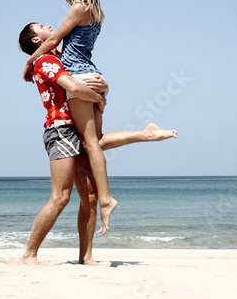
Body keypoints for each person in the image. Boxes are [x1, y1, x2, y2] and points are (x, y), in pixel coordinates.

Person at [19, 22, 176, 264]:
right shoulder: (45, 60)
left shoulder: (61, 58)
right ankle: (29, 254)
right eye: (41, 26)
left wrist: (104, 89)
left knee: (90, 196)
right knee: (61, 196)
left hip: (75, 126)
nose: (48, 25)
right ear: (36, 40)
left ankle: (86, 256)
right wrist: (98, 98)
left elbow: (85, 83)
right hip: (60, 129)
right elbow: (74, 87)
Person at [21, 0, 117, 233]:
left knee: (91, 143)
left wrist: (30, 60)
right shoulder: (96, 10)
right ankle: (145, 136)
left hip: (79, 75)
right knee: (95, 142)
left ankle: (106, 199)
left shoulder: (78, 7)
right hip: (93, 72)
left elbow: (54, 39)